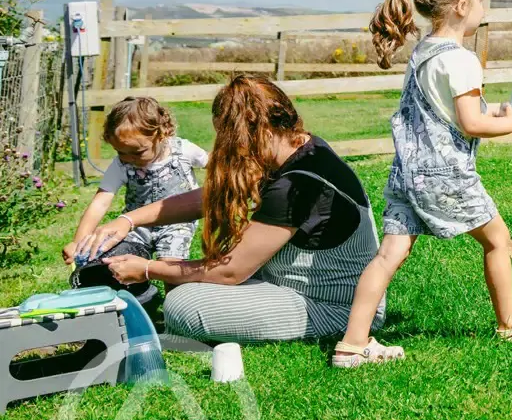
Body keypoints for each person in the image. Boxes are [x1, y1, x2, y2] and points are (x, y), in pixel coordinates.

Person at [332, 0, 512, 369]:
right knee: (497, 241)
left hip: (407, 175)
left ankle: (352, 344)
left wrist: (500, 116)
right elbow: (470, 124)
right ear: (462, 6)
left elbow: (446, 113)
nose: (484, 8)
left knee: (388, 255)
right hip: (445, 176)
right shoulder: (462, 59)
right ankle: (510, 322)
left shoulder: (424, 52)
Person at [76, 76, 388, 345]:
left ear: (255, 129)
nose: (226, 147)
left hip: (334, 306)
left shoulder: (295, 185)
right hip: (294, 287)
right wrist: (128, 220)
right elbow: (212, 197)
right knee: (187, 289)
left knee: (183, 305)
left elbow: (229, 271)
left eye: (227, 137)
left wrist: (146, 269)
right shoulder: (300, 148)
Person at [64, 97, 207, 306]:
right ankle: (132, 302)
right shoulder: (122, 165)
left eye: (137, 152)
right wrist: (78, 242)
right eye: (121, 152)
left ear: (162, 133)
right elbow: (100, 202)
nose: (129, 158)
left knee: (170, 266)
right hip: (135, 224)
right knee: (113, 260)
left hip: (176, 223)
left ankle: (173, 312)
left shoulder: (183, 150)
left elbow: (212, 162)